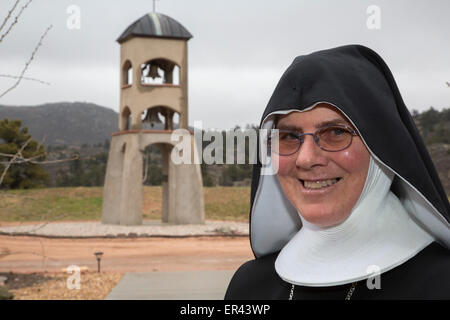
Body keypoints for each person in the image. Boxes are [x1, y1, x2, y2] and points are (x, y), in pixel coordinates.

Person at [224, 44, 450, 300]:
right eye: (288, 136)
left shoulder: (440, 285)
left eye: (336, 132)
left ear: (382, 146)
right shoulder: (250, 285)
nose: (306, 159)